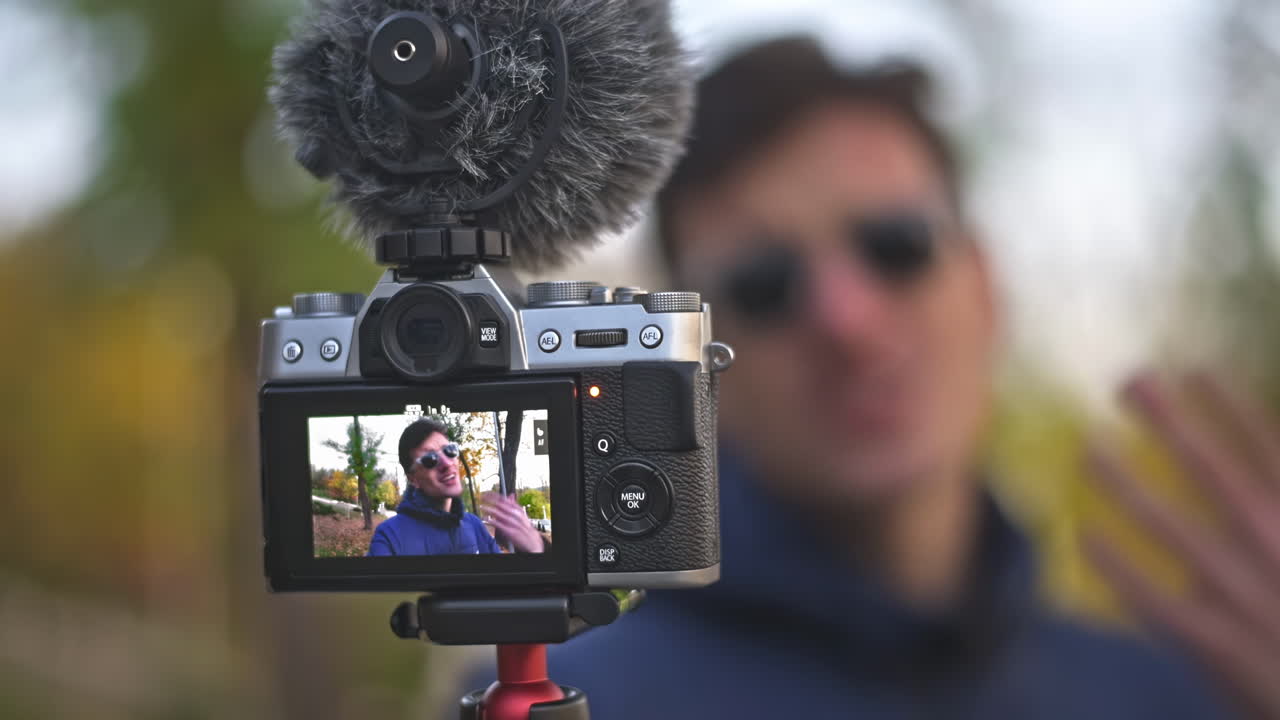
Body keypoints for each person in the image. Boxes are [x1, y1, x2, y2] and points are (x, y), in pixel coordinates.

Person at [518, 36, 1238, 717]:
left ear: (986, 288)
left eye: (898, 245)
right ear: (692, 366)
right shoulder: (567, 702)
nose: (847, 320)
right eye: (764, 284)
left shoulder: (1176, 696)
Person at [368, 419, 545, 556]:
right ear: (413, 479)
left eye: (450, 450)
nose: (447, 463)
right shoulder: (389, 536)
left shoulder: (474, 525)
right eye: (430, 459)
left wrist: (535, 550)